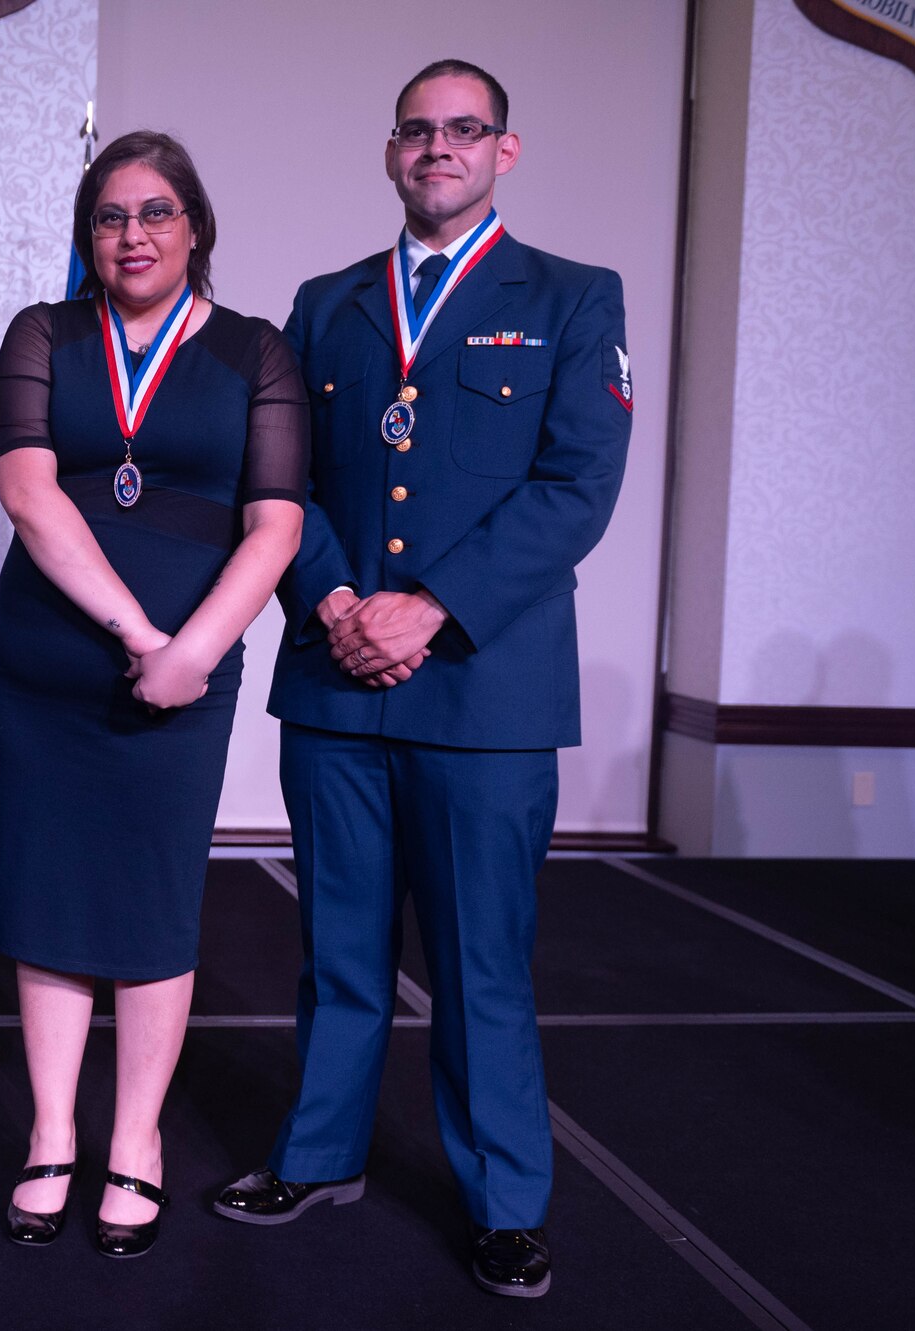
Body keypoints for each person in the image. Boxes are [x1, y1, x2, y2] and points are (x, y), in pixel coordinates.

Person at [211, 61, 634, 1300]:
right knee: (334, 947)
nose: (436, 148)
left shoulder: (567, 297)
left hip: (482, 694)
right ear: (389, 152)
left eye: (462, 130)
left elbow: (575, 487)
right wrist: (337, 601)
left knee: (479, 963)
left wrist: (429, 607)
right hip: (336, 683)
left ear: (503, 151)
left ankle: (505, 1201)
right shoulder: (324, 303)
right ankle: (318, 1151)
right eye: (416, 130)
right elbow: (275, 473)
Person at [0, 131, 307, 1259]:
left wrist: (195, 650)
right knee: (47, 892)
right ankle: (51, 1130)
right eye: (112, 216)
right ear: (88, 234)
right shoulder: (43, 334)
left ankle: (135, 1138)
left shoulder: (253, 351)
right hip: (53, 658)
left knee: (154, 897)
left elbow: (275, 522)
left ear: (195, 228)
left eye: (155, 212)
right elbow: (27, 490)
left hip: (190, 669)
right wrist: (136, 631)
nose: (132, 234)